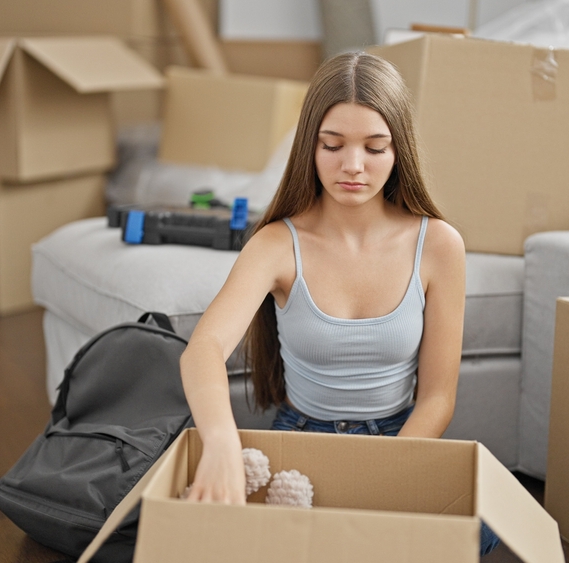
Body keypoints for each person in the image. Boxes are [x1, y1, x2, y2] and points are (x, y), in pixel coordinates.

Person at [178, 51, 500, 556]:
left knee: (474, 528)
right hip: (302, 439)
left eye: (375, 148)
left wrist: (380, 476)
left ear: (399, 152)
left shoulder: (438, 245)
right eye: (333, 145)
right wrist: (220, 443)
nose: (353, 166)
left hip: (399, 439)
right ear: (310, 146)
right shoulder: (276, 245)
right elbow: (203, 349)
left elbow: (438, 398)